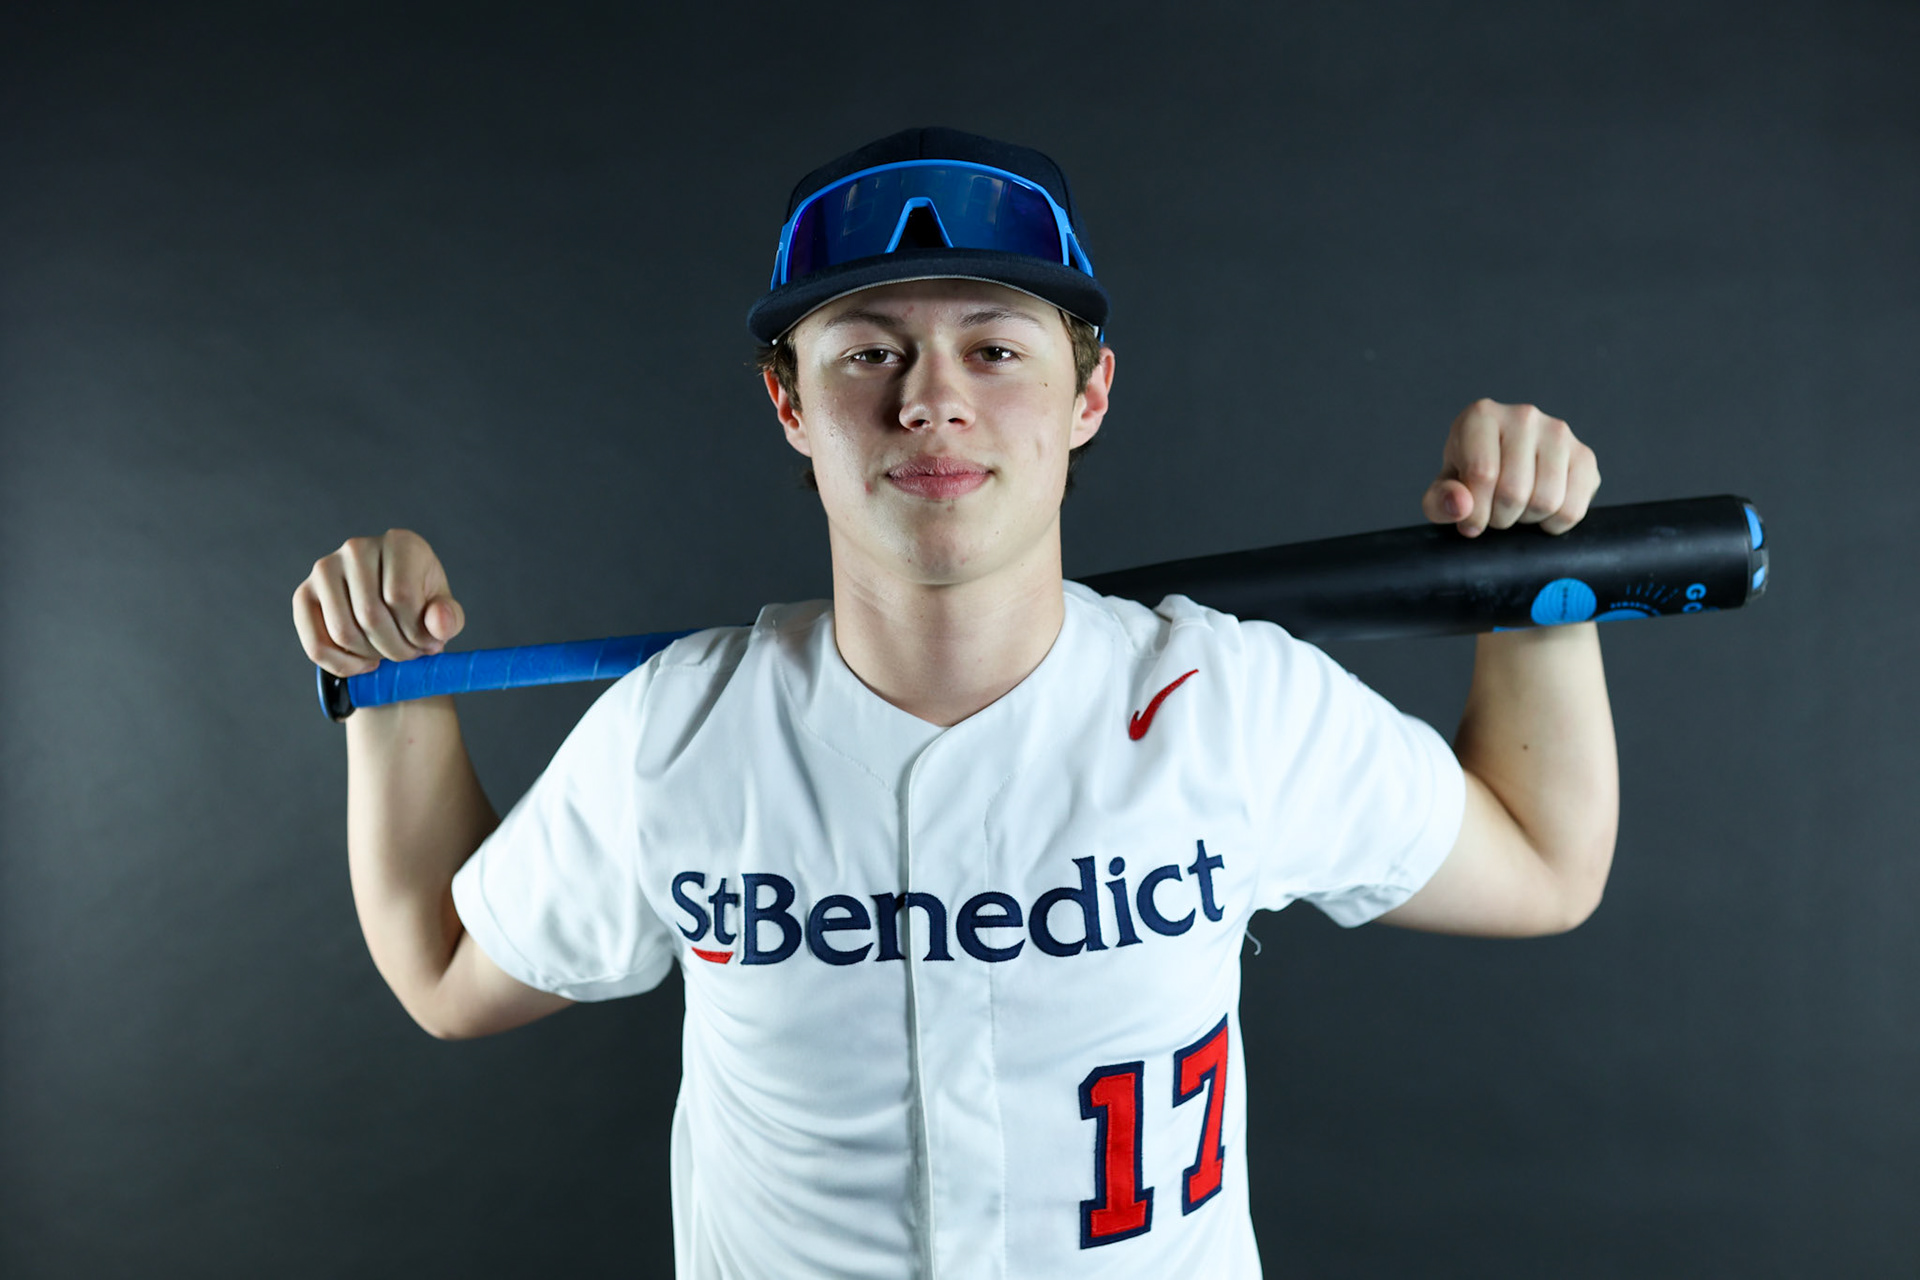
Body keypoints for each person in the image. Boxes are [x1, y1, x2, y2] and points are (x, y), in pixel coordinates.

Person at [291, 127, 1616, 1278]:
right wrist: (395, 685)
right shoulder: (678, 735)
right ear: (789, 403)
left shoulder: (1228, 702)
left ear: (1087, 393)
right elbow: (448, 976)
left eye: (995, 348)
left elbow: (1546, 868)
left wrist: (1536, 579)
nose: (931, 400)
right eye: (868, 351)